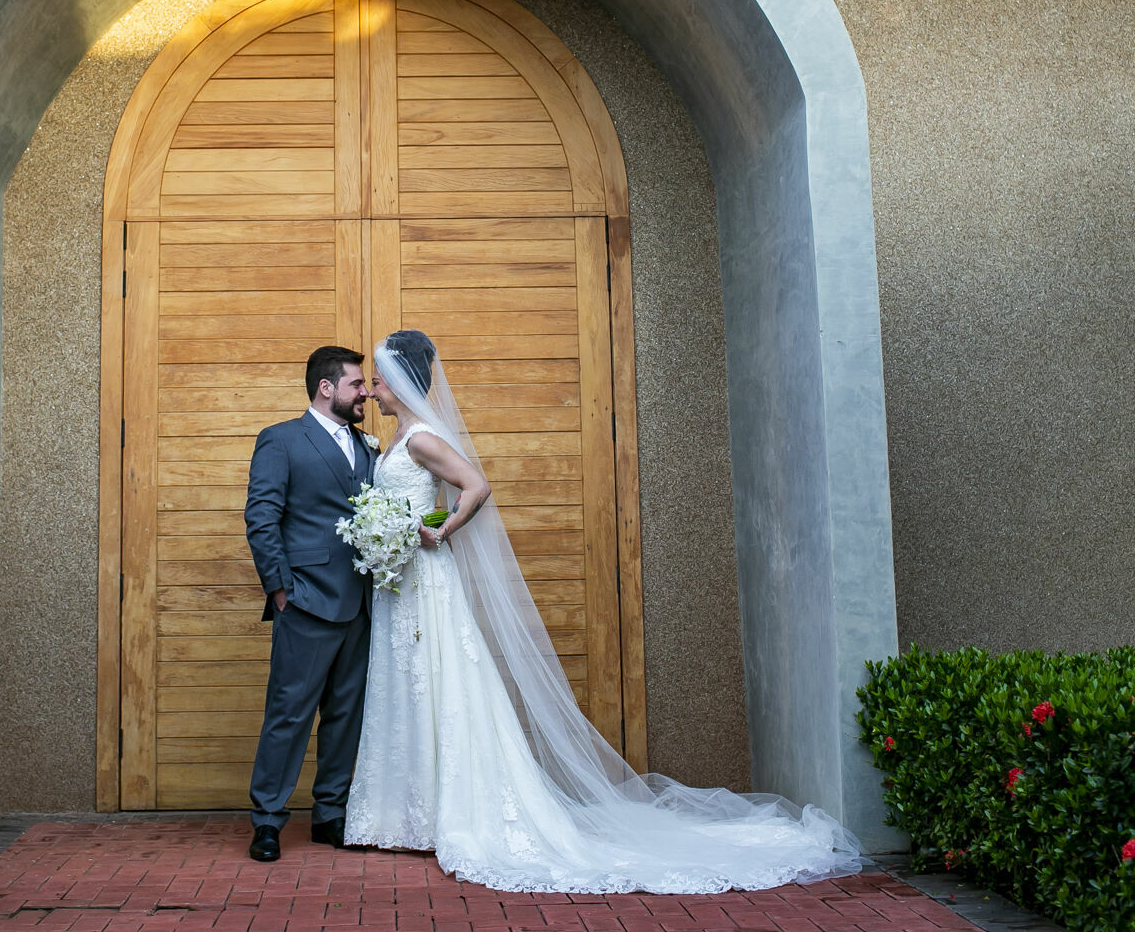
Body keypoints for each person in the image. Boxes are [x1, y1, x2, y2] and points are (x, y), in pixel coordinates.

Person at [344, 328, 864, 893]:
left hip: (428, 586)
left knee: (440, 682)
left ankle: (449, 810)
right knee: (409, 683)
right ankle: (406, 813)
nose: (371, 388)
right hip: (399, 588)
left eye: (377, 378)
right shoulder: (393, 440)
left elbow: (476, 485)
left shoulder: (422, 438)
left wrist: (440, 532)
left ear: (399, 381)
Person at [242, 345, 378, 862]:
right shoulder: (280, 440)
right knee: (289, 713)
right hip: (305, 602)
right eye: (356, 384)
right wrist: (281, 591)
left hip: (362, 605)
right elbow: (262, 517)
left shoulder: (368, 447)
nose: (364, 391)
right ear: (327, 388)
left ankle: (330, 815)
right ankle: (269, 821)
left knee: (346, 715)